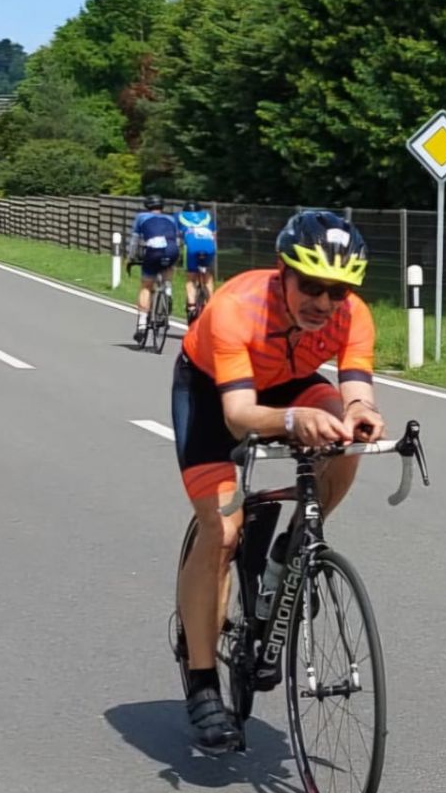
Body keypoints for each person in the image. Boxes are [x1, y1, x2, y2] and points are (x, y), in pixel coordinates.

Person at [170, 208, 384, 753]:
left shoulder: (352, 315)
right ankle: (202, 682)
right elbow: (240, 415)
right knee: (223, 531)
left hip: (290, 382)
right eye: (311, 286)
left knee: (346, 435)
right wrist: (291, 421)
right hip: (213, 391)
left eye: (337, 291)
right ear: (282, 272)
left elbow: (357, 387)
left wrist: (361, 413)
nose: (324, 303)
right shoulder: (236, 307)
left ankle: (293, 549)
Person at [127, 195, 180, 338]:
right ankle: (167, 291)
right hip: (172, 249)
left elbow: (134, 240)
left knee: (146, 286)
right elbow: (176, 240)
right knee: (168, 267)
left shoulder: (141, 217)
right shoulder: (171, 219)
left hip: (154, 250)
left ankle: (142, 325)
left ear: (147, 206)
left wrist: (131, 257)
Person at [177, 200, 218, 322]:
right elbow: (214, 236)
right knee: (208, 277)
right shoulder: (207, 216)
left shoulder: (180, 217)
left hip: (192, 248)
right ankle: (212, 304)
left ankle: (191, 306)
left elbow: (177, 237)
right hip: (209, 248)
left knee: (191, 278)